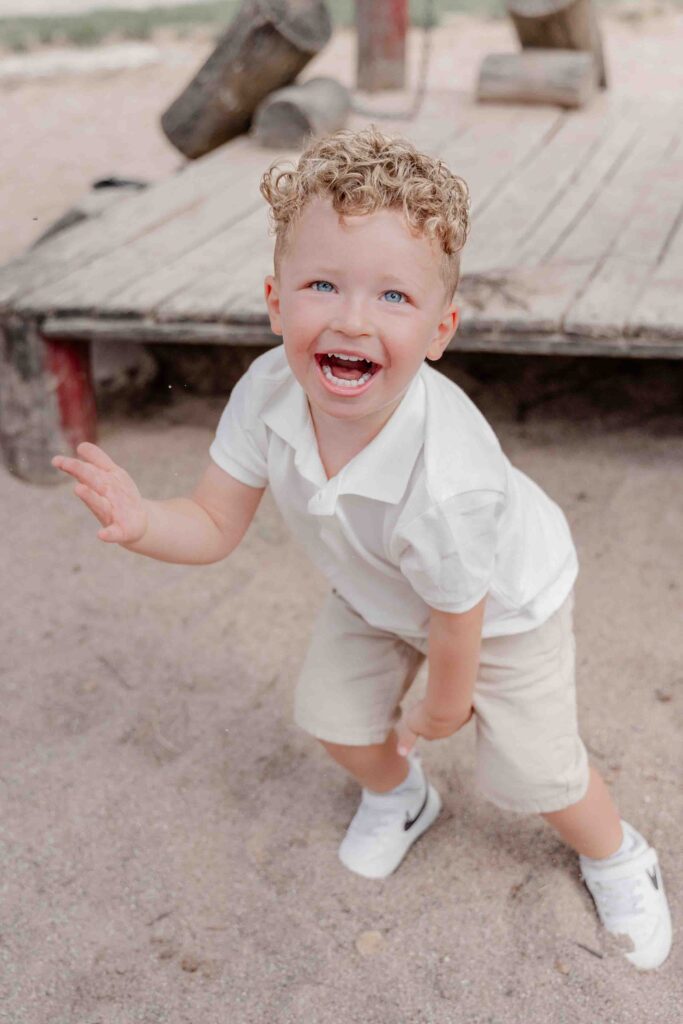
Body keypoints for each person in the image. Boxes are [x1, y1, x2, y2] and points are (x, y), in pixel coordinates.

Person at [52, 126, 671, 971]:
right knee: (334, 720)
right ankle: (402, 796)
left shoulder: (450, 480)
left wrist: (438, 714)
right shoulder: (266, 391)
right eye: (321, 284)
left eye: (392, 296)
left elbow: (458, 622)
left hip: (498, 611)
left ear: (440, 329)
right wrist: (144, 523)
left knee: (535, 775)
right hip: (378, 591)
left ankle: (617, 853)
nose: (351, 318)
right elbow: (212, 521)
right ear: (275, 303)